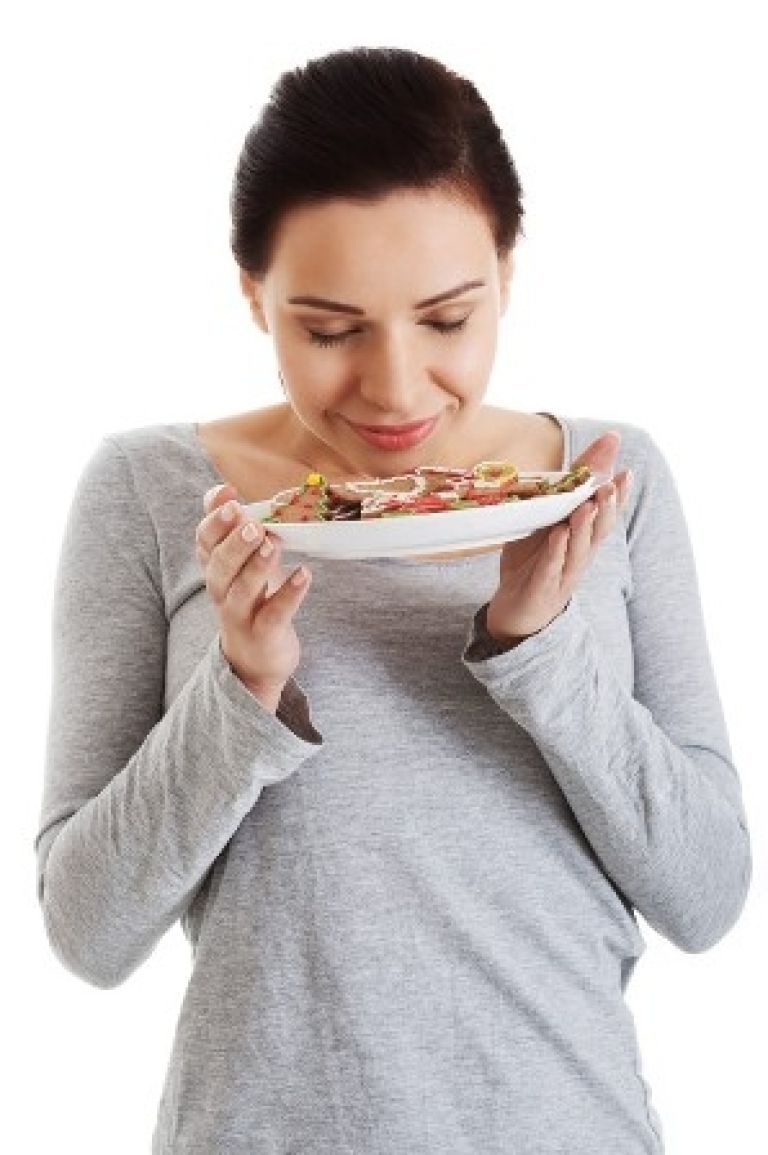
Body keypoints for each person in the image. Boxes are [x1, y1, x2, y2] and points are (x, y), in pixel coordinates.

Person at [34, 46, 752, 1155]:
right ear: (253, 296)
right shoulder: (151, 494)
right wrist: (243, 690)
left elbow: (706, 896)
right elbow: (88, 932)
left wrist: (540, 648)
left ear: (507, 274)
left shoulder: (610, 488)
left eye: (449, 319)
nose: (397, 388)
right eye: (328, 330)